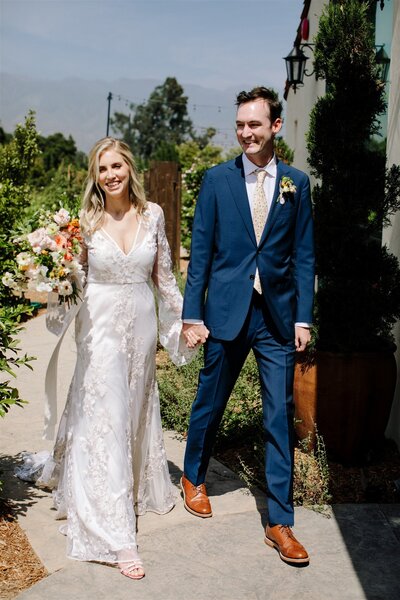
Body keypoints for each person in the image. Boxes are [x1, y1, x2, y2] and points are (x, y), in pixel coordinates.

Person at [18, 138, 195, 580]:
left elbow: (165, 278)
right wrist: (44, 281)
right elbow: (69, 279)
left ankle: (96, 476)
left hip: (140, 326)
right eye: (102, 169)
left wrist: (186, 321)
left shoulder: (153, 214)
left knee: (130, 410)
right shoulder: (85, 221)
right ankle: (115, 535)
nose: (111, 174)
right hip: (98, 332)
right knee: (107, 417)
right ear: (95, 176)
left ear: (129, 168)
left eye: (116, 166)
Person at [180, 87, 315, 565]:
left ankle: (280, 522)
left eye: (254, 124)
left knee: (278, 418)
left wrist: (303, 318)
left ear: (275, 126)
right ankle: (193, 476)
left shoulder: (296, 184)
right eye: (240, 125)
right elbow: (201, 253)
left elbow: (303, 255)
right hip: (226, 313)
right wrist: (191, 315)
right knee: (209, 401)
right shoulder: (217, 181)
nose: (245, 133)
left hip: (277, 318)